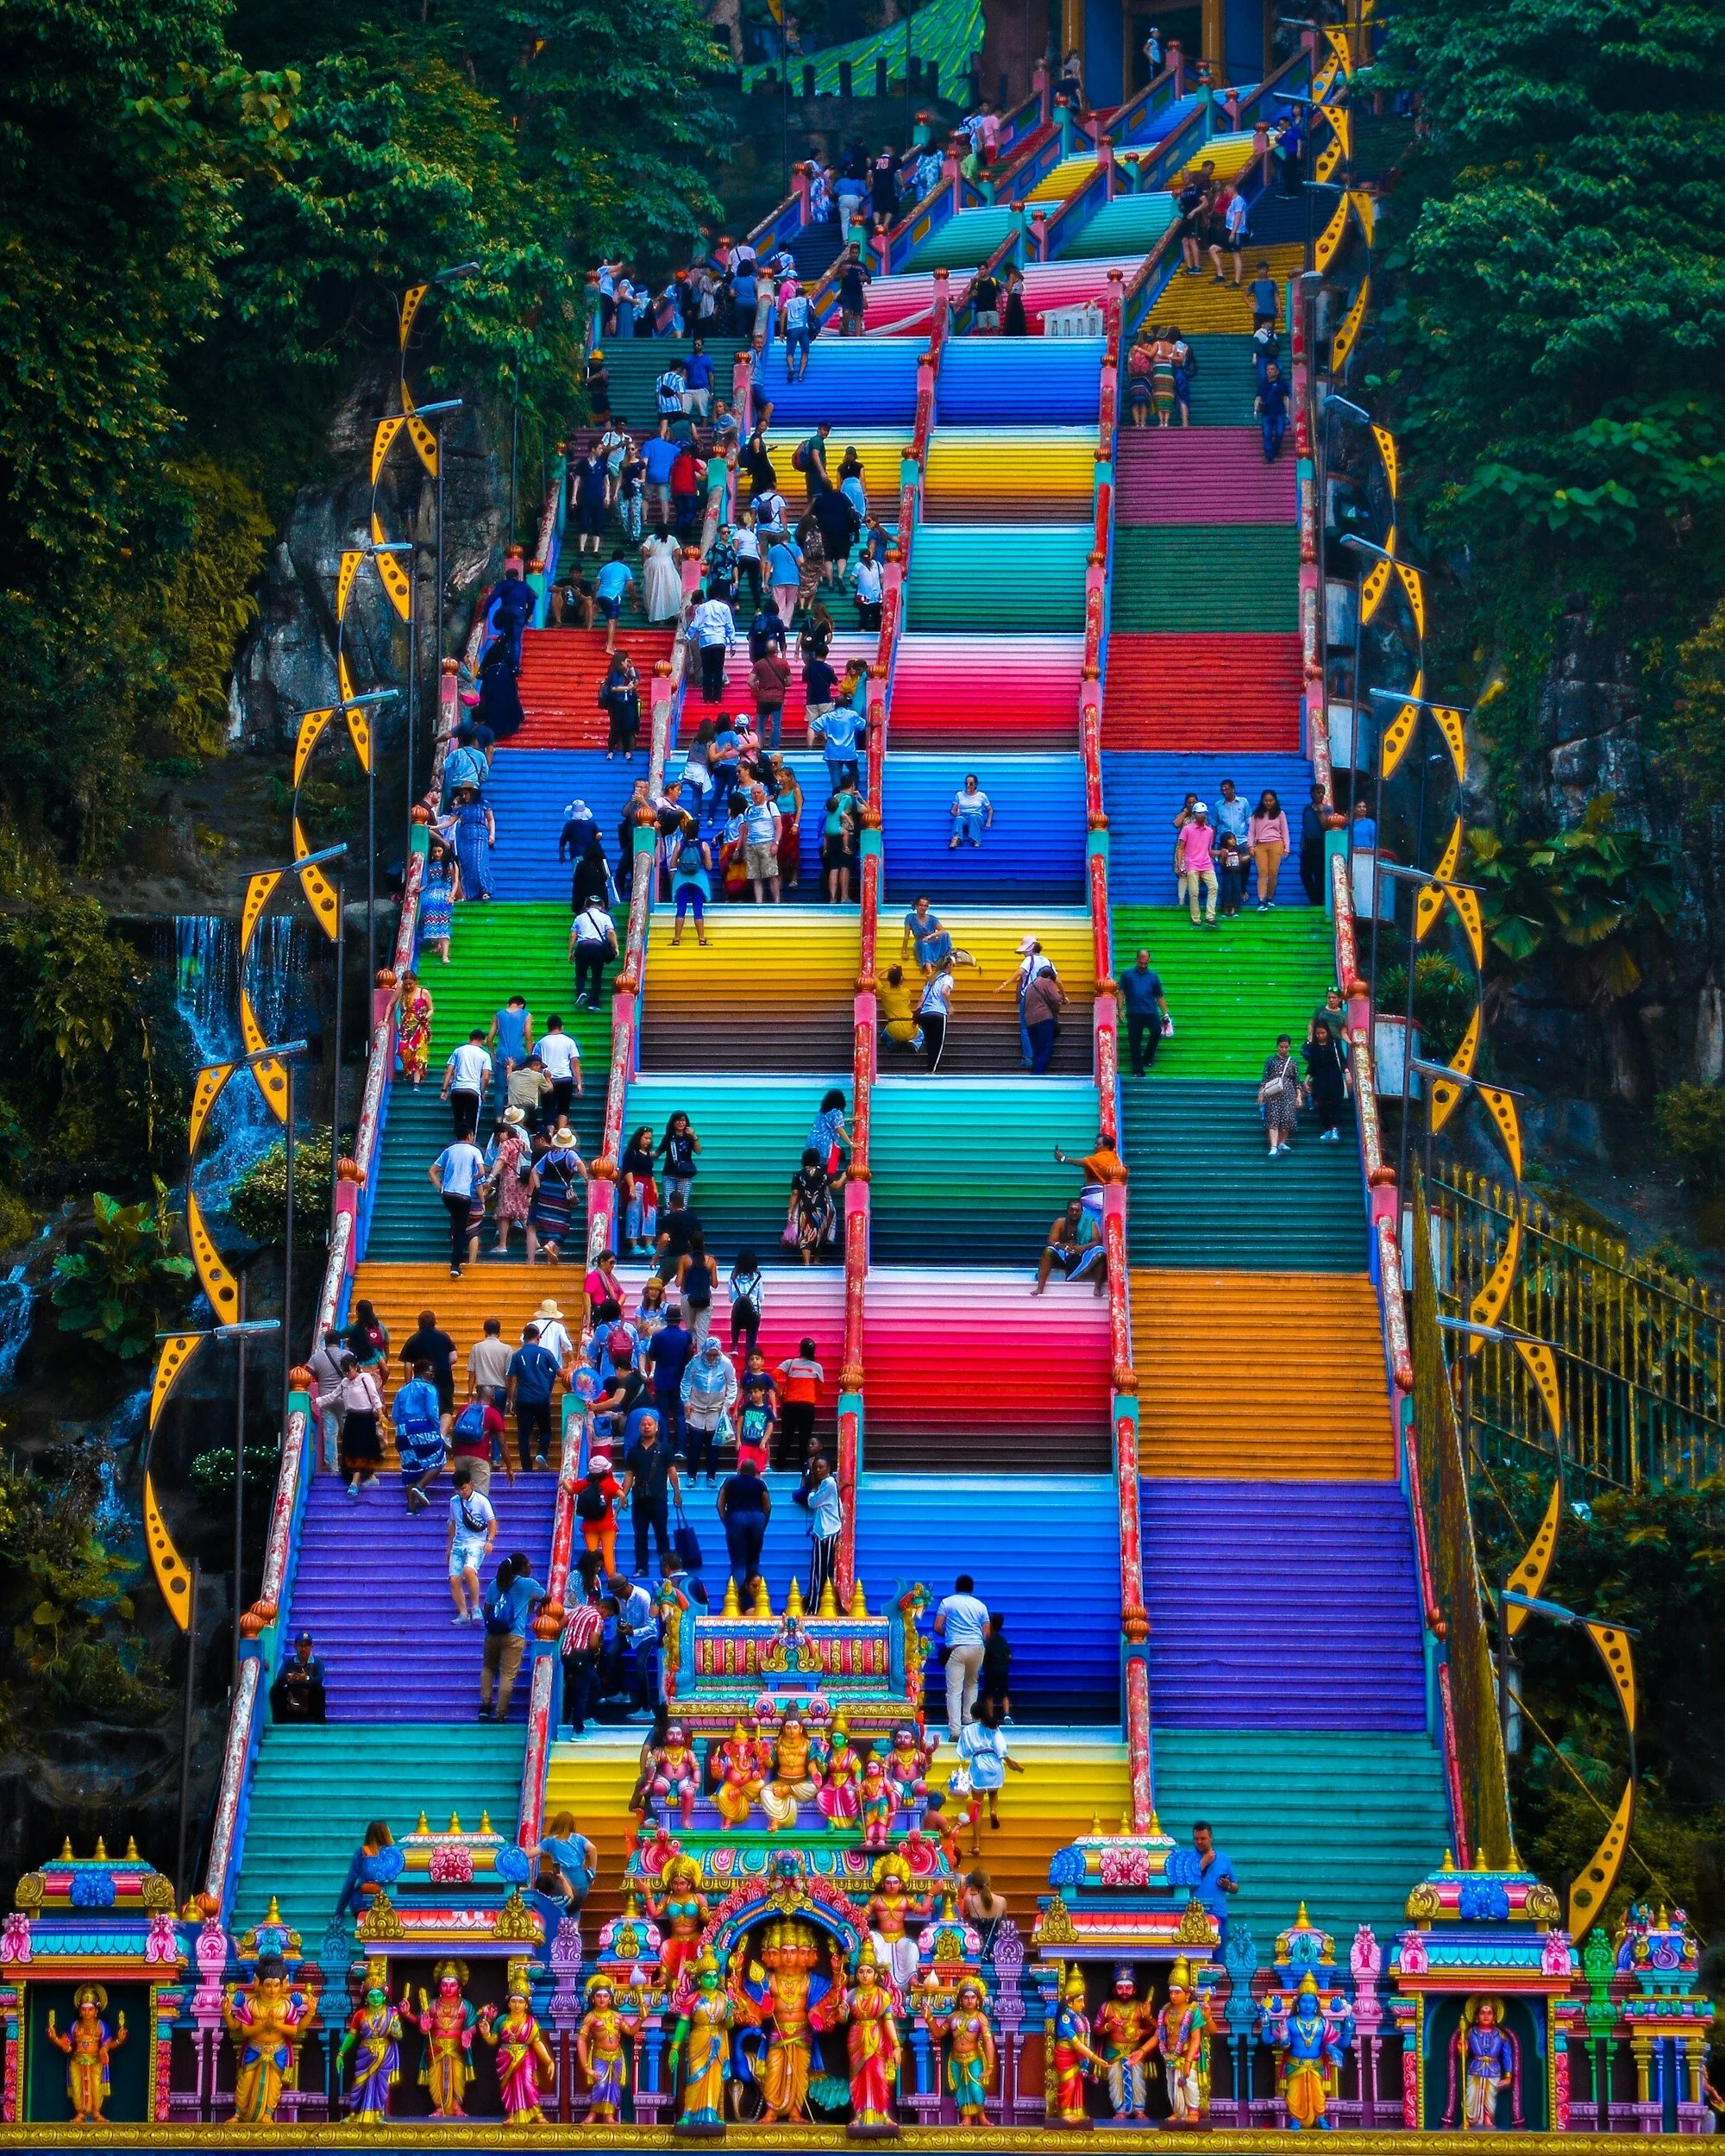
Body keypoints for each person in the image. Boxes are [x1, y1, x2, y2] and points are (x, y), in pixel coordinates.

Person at [480, 1551, 547, 1721]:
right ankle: (500, 1714)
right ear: (523, 1567)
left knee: (488, 1667)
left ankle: (485, 1706)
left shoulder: (495, 1584)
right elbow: (547, 1597)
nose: (531, 1567)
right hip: (515, 1635)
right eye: (529, 1564)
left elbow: (486, 1610)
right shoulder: (528, 1585)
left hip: (493, 1634)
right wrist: (533, 1600)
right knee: (507, 1675)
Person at [957, 1697, 1023, 1846]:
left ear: (973, 1715)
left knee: (977, 1807)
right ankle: (993, 1810)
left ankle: (976, 1845)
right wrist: (1009, 1761)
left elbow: (964, 1752)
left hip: (978, 1764)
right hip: (994, 1762)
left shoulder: (968, 1730)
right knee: (994, 1793)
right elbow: (1001, 1747)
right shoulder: (993, 1727)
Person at [622, 1413, 681, 1576]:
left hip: (658, 1498)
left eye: (649, 1424)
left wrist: (677, 1493)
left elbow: (672, 1472)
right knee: (640, 1535)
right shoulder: (633, 1451)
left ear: (657, 1427)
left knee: (661, 1534)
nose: (646, 1427)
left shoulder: (665, 1449)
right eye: (643, 1424)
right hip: (639, 1499)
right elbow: (629, 1475)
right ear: (639, 1428)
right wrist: (623, 1495)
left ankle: (667, 1568)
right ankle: (642, 1568)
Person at [933, 1573, 990, 1740]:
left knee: (954, 1691)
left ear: (956, 1587)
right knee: (972, 1685)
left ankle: (956, 1731)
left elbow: (937, 1626)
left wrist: (949, 1635)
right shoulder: (980, 1605)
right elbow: (986, 1633)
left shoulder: (947, 1602)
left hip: (956, 1649)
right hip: (977, 1648)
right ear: (972, 1588)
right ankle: (969, 1721)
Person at [428, 1130, 487, 1277]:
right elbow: (481, 1171)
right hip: (463, 1195)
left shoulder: (449, 1150)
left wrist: (440, 1187)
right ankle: (455, 1266)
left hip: (447, 1194)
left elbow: (432, 1171)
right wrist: (473, 1178)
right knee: (461, 1230)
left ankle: (455, 1256)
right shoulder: (474, 1150)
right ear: (469, 1136)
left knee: (456, 1223)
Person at [392, 1358, 448, 1514]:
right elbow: (432, 1412)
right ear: (425, 1373)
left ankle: (411, 1508)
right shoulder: (428, 1389)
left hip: (402, 1430)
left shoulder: (402, 1390)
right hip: (422, 1427)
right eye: (431, 1372)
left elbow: (395, 1416)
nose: (432, 1375)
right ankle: (421, 1487)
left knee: (410, 1466)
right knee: (439, 1457)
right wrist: (438, 1431)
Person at [681, 1337, 737, 1484]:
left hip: (716, 1409)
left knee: (713, 1446)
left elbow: (732, 1384)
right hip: (696, 1407)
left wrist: (726, 1405)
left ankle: (711, 1476)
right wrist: (686, 1401)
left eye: (715, 1355)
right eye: (709, 1355)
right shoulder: (695, 1362)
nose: (712, 1358)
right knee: (695, 1443)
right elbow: (686, 1381)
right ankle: (692, 1475)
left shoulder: (726, 1363)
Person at [526, 1126, 587, 1264]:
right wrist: (587, 1179)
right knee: (562, 1224)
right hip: (560, 1193)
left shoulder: (549, 1155)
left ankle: (547, 1250)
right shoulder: (570, 1154)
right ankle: (551, 1247)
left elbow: (535, 1171)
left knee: (547, 1224)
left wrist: (539, 1186)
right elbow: (579, 1164)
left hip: (545, 1192)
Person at [506, 1322, 562, 1471]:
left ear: (524, 1337)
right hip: (542, 1398)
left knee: (523, 1434)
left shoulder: (517, 1355)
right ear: (539, 1337)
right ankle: (542, 1452)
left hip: (523, 1398)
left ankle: (526, 1467)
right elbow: (560, 1373)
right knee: (545, 1429)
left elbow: (512, 1378)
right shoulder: (546, 1353)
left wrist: (510, 1400)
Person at [447, 1463, 497, 1622]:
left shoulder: (482, 1501)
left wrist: (489, 1540)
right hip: (458, 1543)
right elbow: (453, 1523)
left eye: (464, 1488)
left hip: (476, 1542)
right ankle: (463, 1613)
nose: (461, 1492)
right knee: (454, 1579)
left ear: (471, 1485)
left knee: (469, 1571)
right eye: (458, 1489)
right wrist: (449, 1547)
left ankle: (475, 1608)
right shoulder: (454, 1502)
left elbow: (492, 1522)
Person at [644, 1307, 694, 1462]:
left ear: (666, 1319)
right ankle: (680, 1448)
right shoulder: (686, 1336)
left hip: (662, 1380)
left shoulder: (658, 1336)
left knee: (663, 1416)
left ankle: (664, 1447)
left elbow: (652, 1355)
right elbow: (689, 1356)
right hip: (680, 1380)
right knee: (680, 1416)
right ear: (680, 1320)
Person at [794, 1448, 841, 1604]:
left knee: (820, 1571)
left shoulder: (828, 1483)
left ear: (828, 1468)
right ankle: (816, 1600)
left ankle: (815, 1604)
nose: (818, 1470)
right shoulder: (827, 1484)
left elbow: (813, 1503)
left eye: (821, 1467)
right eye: (816, 1468)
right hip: (824, 1529)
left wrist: (812, 1491)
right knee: (820, 1570)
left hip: (827, 1533)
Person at [717, 1455, 771, 1587]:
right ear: (754, 1472)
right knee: (753, 1560)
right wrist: (763, 1524)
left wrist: (727, 1522)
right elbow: (767, 1506)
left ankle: (738, 1596)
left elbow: (719, 1504)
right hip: (756, 1519)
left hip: (736, 1519)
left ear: (740, 1470)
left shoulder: (729, 1481)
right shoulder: (760, 1484)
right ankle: (754, 1595)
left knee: (738, 1561)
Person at [1034, 1199, 1106, 1296]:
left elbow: (1096, 1241)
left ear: (1082, 1211)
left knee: (1100, 1251)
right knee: (1048, 1251)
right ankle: (1040, 1288)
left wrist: (1083, 1247)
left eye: (1077, 1210)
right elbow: (1051, 1241)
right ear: (1067, 1211)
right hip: (1064, 1256)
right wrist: (1061, 1246)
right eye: (1071, 1210)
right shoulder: (1060, 1222)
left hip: (1083, 1256)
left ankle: (1097, 1288)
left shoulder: (1089, 1223)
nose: (1074, 1213)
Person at [1120, 950, 1170, 1075]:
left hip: (1150, 1012)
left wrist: (1165, 1014)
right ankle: (1138, 1070)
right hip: (1134, 1013)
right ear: (1136, 959)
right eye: (1141, 963)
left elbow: (1159, 996)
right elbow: (1121, 992)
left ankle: (1147, 1057)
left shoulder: (1153, 976)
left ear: (1149, 961)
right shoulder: (1127, 974)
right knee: (1135, 1041)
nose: (1143, 965)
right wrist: (1120, 1010)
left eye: (1145, 963)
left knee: (1156, 1031)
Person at [775, 1338, 824, 1471]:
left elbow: (773, 1376)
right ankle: (803, 1466)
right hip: (807, 1405)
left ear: (800, 1349)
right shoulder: (817, 1367)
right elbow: (820, 1388)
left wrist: (780, 1394)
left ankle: (780, 1465)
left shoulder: (789, 1363)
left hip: (789, 1404)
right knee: (805, 1437)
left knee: (786, 1435)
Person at [1190, 1821, 1239, 1943]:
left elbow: (1236, 1887)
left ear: (1211, 1837)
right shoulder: (1188, 1858)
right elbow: (1185, 1881)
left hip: (1218, 1914)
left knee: (1218, 1956)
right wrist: (1203, 1862)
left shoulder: (1223, 1859)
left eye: (1203, 1838)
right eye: (1196, 1839)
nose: (1199, 1842)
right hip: (1194, 1915)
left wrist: (1227, 1885)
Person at [576, 1451, 624, 1576]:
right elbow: (622, 1495)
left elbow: (571, 1489)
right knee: (608, 1553)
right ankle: (612, 1579)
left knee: (592, 1554)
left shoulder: (584, 1483)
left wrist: (564, 1482)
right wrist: (616, 1513)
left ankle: (592, 1580)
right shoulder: (608, 1483)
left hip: (589, 1525)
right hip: (607, 1523)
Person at [441, 1028, 492, 1142]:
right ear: (482, 1041)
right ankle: (470, 1143)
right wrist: (483, 1092)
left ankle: (458, 1141)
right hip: (473, 1090)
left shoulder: (458, 1051)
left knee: (458, 1118)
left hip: (457, 1089)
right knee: (472, 1120)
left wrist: (444, 1090)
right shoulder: (484, 1055)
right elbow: (485, 1076)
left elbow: (449, 1070)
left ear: (470, 1038)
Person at [1304, 1019, 1352, 1142]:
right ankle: (1327, 1129)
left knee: (1336, 1102)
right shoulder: (1314, 1047)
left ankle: (1335, 1128)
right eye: (1318, 1033)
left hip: (1334, 1077)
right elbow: (1312, 1066)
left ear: (1327, 1032)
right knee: (1321, 1103)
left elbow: (1342, 1059)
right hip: (1320, 1079)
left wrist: (1347, 1073)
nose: (1320, 1036)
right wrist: (1306, 1080)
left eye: (1323, 1033)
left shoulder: (1335, 1044)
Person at [308, 1326, 347, 1472]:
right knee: (347, 1433)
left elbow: (307, 1375)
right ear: (340, 1341)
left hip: (325, 1399)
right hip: (344, 1398)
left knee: (330, 1433)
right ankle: (350, 1464)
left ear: (325, 1342)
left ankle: (332, 1467)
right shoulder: (347, 1355)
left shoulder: (316, 1358)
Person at [1259, 1032, 1305, 1158]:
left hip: (1288, 1094)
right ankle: (1274, 1146)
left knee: (1287, 1118)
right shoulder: (1270, 1060)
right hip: (1273, 1094)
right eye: (1281, 1047)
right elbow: (1265, 1078)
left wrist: (1299, 1096)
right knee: (1273, 1118)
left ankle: (1282, 1142)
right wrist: (1261, 1093)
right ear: (1277, 1046)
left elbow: (1296, 1081)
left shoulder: (1293, 1062)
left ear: (1289, 1047)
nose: (1284, 1049)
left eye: (1286, 1047)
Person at [569, 895, 619, 1008]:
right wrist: (616, 947)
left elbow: (573, 934)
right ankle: (594, 1002)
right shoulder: (605, 917)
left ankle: (581, 991)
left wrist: (570, 952)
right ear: (601, 906)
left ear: (587, 906)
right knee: (597, 975)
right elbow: (610, 932)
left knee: (580, 973)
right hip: (598, 948)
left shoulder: (580, 918)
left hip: (582, 947)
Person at [787, 1145, 836, 1259]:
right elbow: (836, 1186)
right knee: (820, 1234)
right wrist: (844, 1177)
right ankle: (816, 1260)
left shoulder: (798, 1175)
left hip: (806, 1210)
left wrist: (790, 1211)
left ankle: (807, 1263)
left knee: (806, 1234)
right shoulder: (822, 1173)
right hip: (822, 1209)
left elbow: (795, 1194)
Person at [269, 1631, 327, 1723]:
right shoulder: (289, 1662)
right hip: (293, 1694)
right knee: (275, 1690)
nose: (304, 1649)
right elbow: (279, 1680)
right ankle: (278, 1722)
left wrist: (306, 1679)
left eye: (307, 1646)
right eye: (301, 1645)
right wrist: (287, 1677)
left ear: (312, 1647)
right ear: (295, 1646)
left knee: (320, 1691)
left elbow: (319, 1680)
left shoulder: (318, 1663)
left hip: (309, 1696)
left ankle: (319, 1723)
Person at [1176, 801, 1218, 925]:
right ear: (1194, 814)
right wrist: (1180, 865)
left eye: (1204, 813)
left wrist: (1219, 853)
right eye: (1200, 813)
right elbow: (1181, 848)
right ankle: (1196, 919)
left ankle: (1210, 917)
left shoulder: (1210, 831)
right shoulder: (1187, 829)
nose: (1202, 816)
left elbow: (1208, 849)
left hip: (1206, 863)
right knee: (1194, 892)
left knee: (1214, 886)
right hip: (1192, 864)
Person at [537, 1015, 582, 1127]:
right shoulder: (569, 1041)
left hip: (547, 1079)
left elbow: (536, 1063)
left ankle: (549, 1134)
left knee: (548, 1108)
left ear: (548, 1027)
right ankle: (561, 1133)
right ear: (561, 1027)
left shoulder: (541, 1042)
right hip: (565, 1078)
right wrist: (579, 1082)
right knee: (564, 1108)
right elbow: (575, 1061)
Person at [1023, 962, 1067, 1075]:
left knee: (1037, 1049)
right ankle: (1037, 1074)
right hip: (1043, 1019)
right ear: (1049, 976)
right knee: (1046, 1048)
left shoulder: (1030, 986)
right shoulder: (1047, 982)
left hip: (1030, 1021)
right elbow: (1055, 999)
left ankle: (1035, 1072)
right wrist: (1057, 1013)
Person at [1249, 789, 1289, 907]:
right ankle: (1261, 900)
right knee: (1262, 872)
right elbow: (1251, 832)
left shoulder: (1280, 814)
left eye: (1271, 800)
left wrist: (1287, 847)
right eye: (1266, 800)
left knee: (1273, 873)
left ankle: (1270, 898)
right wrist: (1250, 846)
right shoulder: (1256, 815)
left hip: (1276, 844)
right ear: (1262, 801)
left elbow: (1285, 831)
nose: (1268, 803)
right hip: (1260, 845)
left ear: (1275, 801)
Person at [727, 1247, 765, 1357]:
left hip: (738, 1314)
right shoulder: (758, 1277)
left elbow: (730, 1299)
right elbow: (761, 1297)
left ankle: (735, 1345)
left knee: (735, 1318)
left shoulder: (733, 1278)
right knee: (751, 1340)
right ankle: (749, 1363)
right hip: (753, 1313)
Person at [1300, 782, 1330, 905]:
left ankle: (1319, 900)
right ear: (1312, 794)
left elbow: (1326, 827)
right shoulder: (1307, 809)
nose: (1320, 795)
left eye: (1322, 792)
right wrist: (1303, 841)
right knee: (1305, 873)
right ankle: (1314, 898)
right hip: (1308, 844)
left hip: (1321, 844)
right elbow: (1304, 826)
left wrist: (1320, 812)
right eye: (1318, 792)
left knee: (1319, 873)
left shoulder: (1327, 809)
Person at [979, 1612, 1011, 1721]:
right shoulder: (1003, 1640)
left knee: (989, 1695)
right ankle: (1007, 1715)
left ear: (990, 1624)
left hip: (991, 1670)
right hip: (1003, 1669)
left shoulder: (988, 1640)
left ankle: (990, 1717)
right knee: (1004, 1694)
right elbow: (1009, 1655)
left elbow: (984, 1656)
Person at [1257, 360, 1289, 464]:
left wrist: (1288, 411)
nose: (1269, 371)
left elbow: (1285, 398)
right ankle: (1269, 456)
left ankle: (1276, 449)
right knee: (1267, 433)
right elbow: (1259, 397)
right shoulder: (1263, 384)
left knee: (1279, 432)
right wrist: (1255, 409)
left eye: (1272, 369)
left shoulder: (1282, 384)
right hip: (1267, 414)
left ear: (1277, 371)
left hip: (1279, 413)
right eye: (1268, 370)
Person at [950, 774, 992, 848]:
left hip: (976, 817)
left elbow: (990, 810)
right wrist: (956, 814)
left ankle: (976, 839)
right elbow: (953, 811)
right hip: (964, 816)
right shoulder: (959, 794)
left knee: (973, 817)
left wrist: (988, 822)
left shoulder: (981, 795)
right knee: (959, 819)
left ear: (976, 784)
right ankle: (956, 839)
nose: (968, 785)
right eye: (966, 783)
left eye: (971, 784)